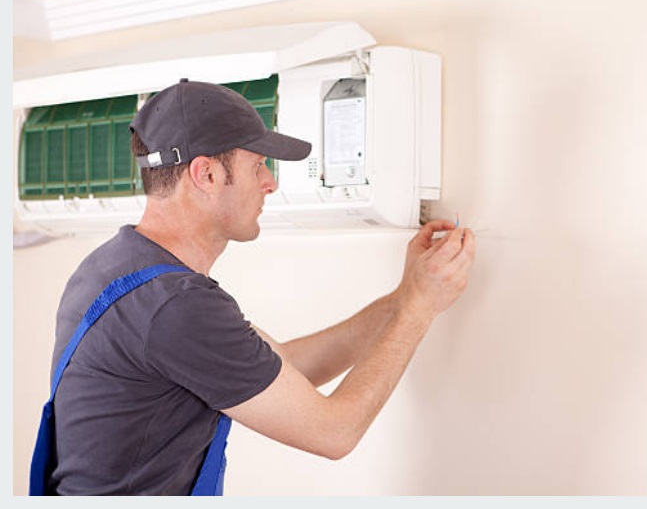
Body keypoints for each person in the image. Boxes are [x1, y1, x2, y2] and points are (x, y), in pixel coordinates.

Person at [43, 79, 476, 495]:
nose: (270, 182)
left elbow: (281, 365)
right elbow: (335, 432)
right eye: (257, 165)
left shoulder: (116, 268)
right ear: (206, 175)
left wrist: (406, 296)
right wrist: (420, 310)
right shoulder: (175, 306)